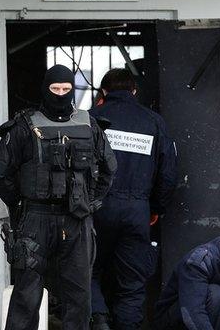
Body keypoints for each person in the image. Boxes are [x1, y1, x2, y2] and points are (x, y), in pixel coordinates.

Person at [0, 64, 117, 330]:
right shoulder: (25, 125)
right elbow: (1, 175)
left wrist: (90, 201)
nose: (61, 94)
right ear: (45, 88)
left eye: (67, 89)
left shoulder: (89, 124)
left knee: (79, 297)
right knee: (26, 295)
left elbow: (109, 168)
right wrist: (20, 205)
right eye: (55, 89)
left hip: (77, 219)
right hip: (35, 219)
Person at [89, 68, 177, 330]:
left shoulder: (89, 120)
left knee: (88, 271)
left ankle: (99, 320)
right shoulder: (153, 122)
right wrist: (156, 208)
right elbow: (168, 173)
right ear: (134, 92)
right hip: (137, 211)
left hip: (95, 210)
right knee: (131, 285)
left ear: (103, 92)